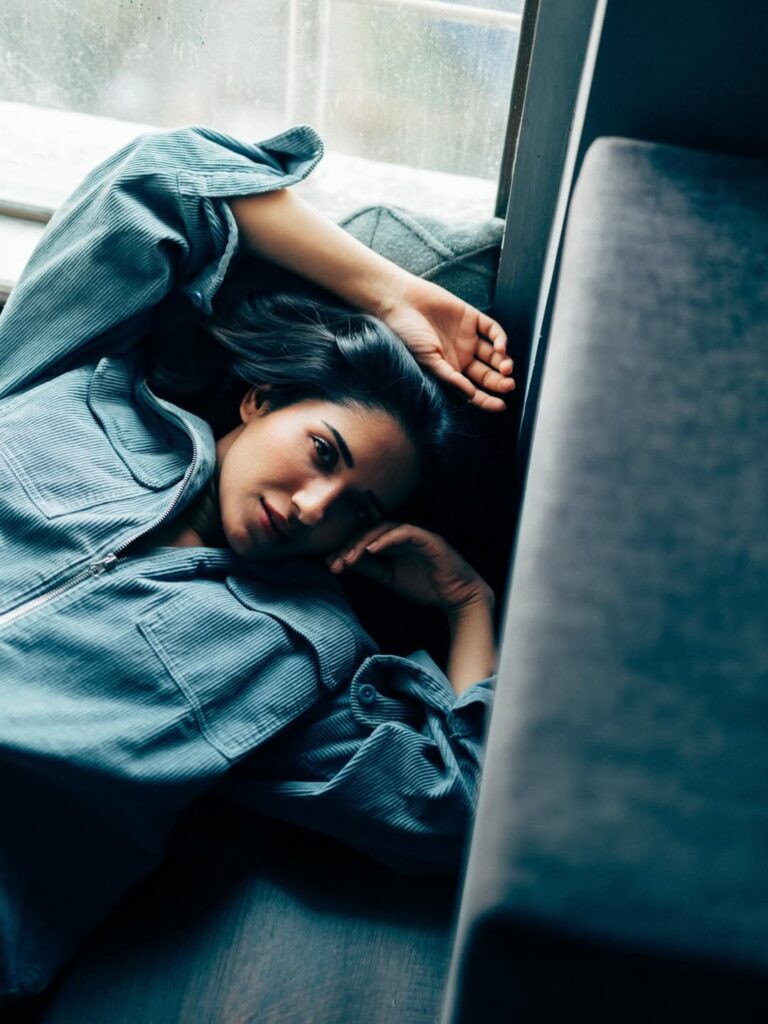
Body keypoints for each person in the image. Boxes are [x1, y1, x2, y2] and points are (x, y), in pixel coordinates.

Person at [0, 123, 514, 1003]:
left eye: (357, 508)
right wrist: (391, 295)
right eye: (322, 452)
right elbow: (161, 177)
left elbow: (457, 804)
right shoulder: (78, 381)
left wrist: (468, 604)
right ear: (260, 398)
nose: (314, 507)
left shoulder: (296, 653)